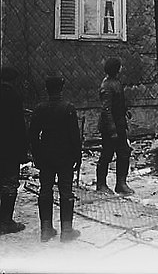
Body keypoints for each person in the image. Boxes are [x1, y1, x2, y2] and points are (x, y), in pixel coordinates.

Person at [29, 75, 81, 242]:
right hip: (65, 156)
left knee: (45, 190)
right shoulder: (68, 108)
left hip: (46, 156)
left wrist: (37, 156)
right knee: (66, 191)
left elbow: (32, 135)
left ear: (47, 89)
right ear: (61, 88)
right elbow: (74, 136)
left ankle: (46, 229)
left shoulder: (39, 108)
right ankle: (66, 230)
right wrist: (77, 156)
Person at [96, 57, 133, 195]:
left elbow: (119, 101)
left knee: (124, 153)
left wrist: (126, 109)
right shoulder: (106, 86)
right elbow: (106, 110)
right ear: (116, 69)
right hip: (110, 126)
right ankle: (101, 184)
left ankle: (121, 184)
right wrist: (112, 130)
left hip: (119, 123)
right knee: (107, 154)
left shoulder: (116, 82)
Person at [0, 66, 28, 235]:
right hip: (9, 149)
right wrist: (23, 151)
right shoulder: (14, 97)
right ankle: (5, 221)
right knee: (9, 184)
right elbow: (19, 126)